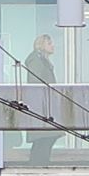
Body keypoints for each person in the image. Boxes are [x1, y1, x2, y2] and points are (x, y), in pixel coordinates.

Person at [23, 34, 58, 165]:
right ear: (41, 45)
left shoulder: (42, 61)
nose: (53, 45)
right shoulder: (37, 61)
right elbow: (36, 84)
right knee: (44, 138)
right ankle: (39, 164)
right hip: (41, 108)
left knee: (46, 138)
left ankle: (40, 163)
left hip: (45, 107)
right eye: (49, 43)